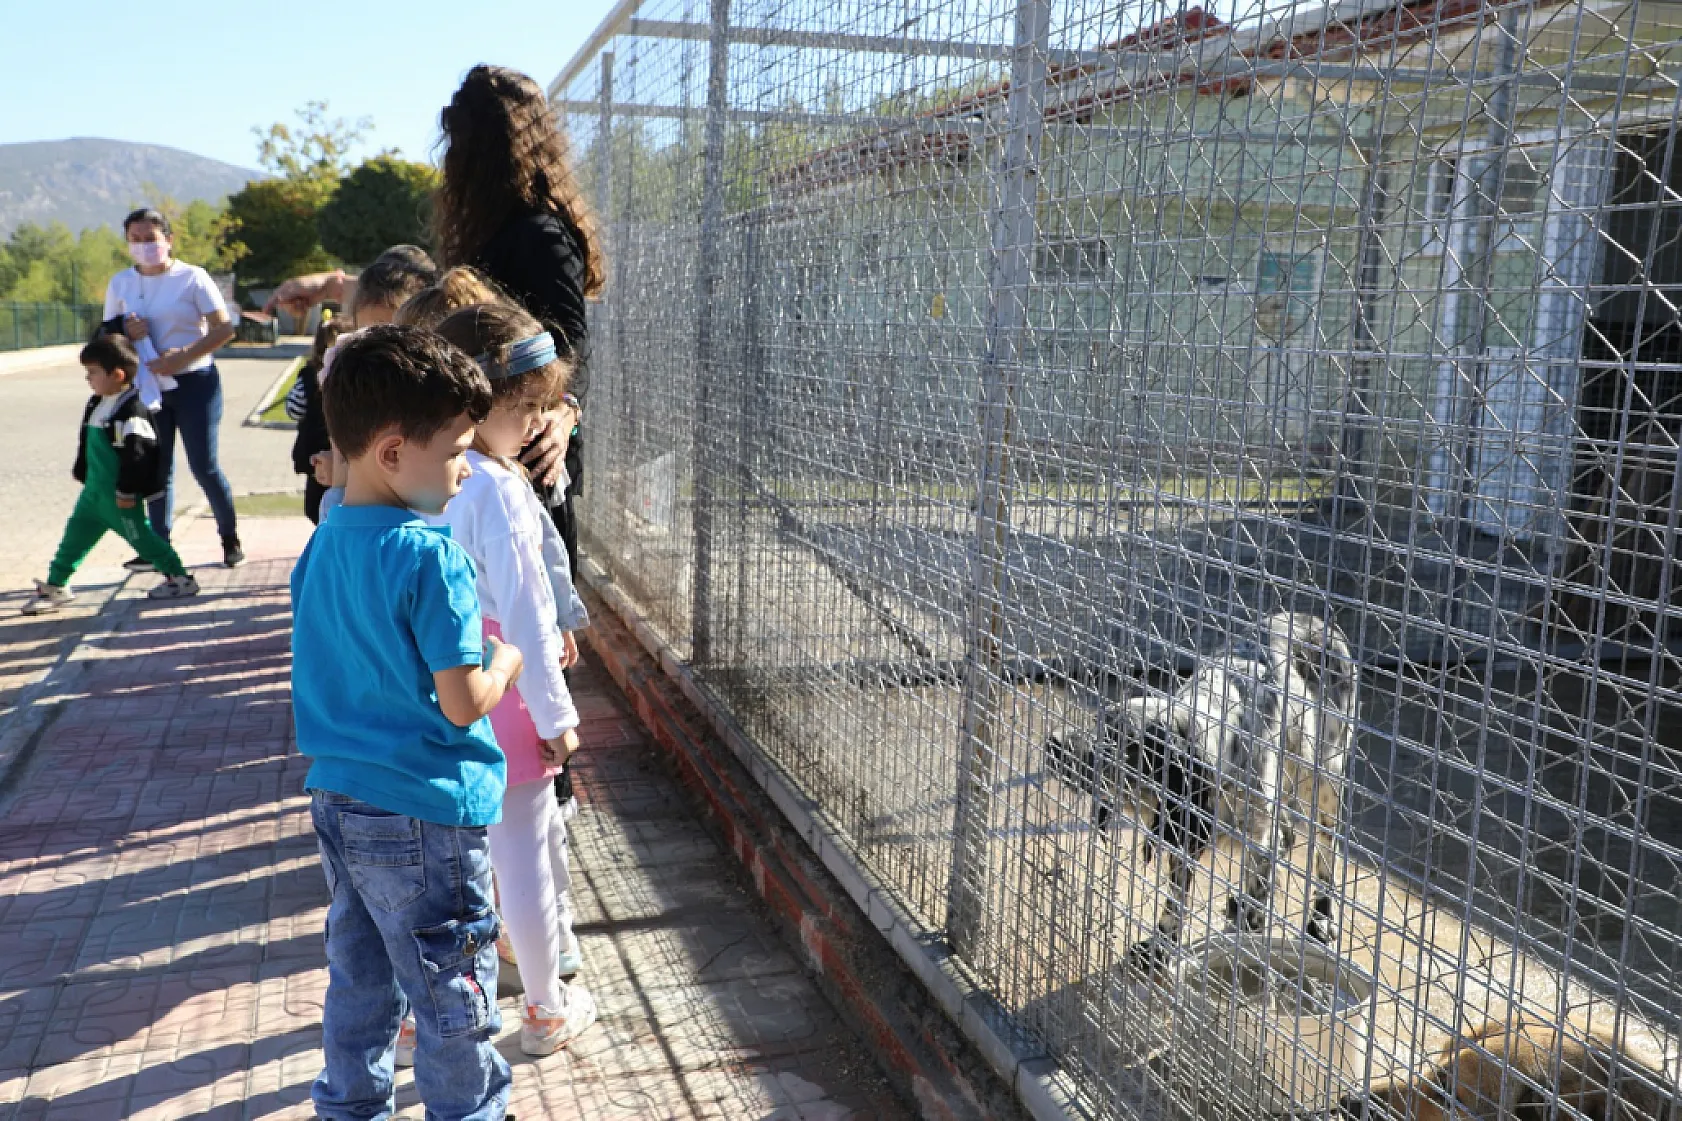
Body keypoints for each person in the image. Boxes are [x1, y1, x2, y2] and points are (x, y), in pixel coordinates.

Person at [290, 323, 517, 1121]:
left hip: (338, 802)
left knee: (361, 979)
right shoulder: (432, 556)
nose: (467, 468)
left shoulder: (320, 547)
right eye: (458, 449)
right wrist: (508, 662)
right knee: (451, 994)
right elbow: (461, 703)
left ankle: (349, 1109)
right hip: (424, 809)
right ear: (392, 453)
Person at [416, 301, 598, 1059]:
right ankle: (547, 1008)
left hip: (439, 682)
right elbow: (527, 611)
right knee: (525, 853)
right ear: (478, 402)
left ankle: (412, 1017)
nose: (534, 424)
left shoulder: (439, 476)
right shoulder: (500, 490)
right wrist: (557, 716)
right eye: (524, 408)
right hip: (508, 689)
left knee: (441, 868)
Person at [105, 207, 242, 567]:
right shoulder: (121, 283)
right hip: (149, 386)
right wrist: (124, 333)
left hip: (195, 383)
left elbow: (224, 329)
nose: (144, 246)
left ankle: (229, 539)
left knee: (203, 465)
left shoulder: (192, 278)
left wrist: (183, 357)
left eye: (150, 238)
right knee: (157, 465)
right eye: (135, 239)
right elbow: (108, 336)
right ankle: (157, 546)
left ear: (168, 239)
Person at [22, 336, 199, 615]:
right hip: (93, 494)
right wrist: (81, 471)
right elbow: (87, 441)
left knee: (142, 539)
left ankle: (180, 578)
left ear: (117, 375)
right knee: (73, 539)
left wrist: (127, 491)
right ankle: (57, 585)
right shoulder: (97, 402)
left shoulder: (132, 412)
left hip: (119, 498)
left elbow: (138, 456)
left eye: (93, 372)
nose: (88, 378)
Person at [286, 313, 346, 524]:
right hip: (341, 453)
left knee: (315, 505)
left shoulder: (309, 375)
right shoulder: (350, 376)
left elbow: (294, 408)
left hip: (315, 454)